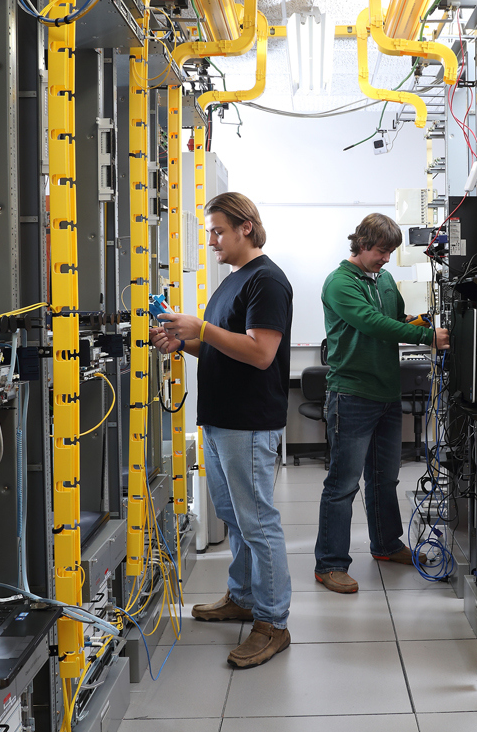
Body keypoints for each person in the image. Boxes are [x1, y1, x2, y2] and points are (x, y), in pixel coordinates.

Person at [151, 191, 293, 668]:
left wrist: (201, 329)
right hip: (219, 420)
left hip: (248, 424)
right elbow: (225, 350)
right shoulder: (232, 281)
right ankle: (243, 597)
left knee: (258, 523)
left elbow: (260, 353)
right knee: (235, 517)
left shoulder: (267, 281)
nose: (210, 240)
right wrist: (184, 342)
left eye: (216, 231)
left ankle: (272, 623)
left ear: (244, 228)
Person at [313, 213, 450, 594]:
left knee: (383, 479)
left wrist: (423, 322)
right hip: (352, 395)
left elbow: (395, 317)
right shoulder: (339, 283)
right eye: (380, 251)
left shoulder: (386, 280)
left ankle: (387, 545)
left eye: (391, 251)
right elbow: (373, 323)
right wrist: (427, 338)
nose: (386, 258)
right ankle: (330, 564)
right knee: (342, 485)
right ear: (360, 243)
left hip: (387, 395)